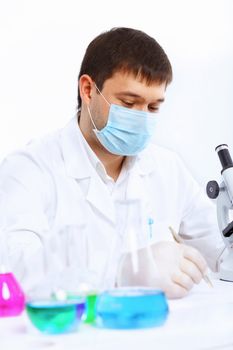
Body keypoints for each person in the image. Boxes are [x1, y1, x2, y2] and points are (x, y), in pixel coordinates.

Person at [0, 27, 224, 298]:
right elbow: (15, 276)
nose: (142, 117)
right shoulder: (28, 170)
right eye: (129, 103)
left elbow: (222, 250)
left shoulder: (167, 169)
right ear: (88, 89)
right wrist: (122, 273)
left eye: (153, 107)